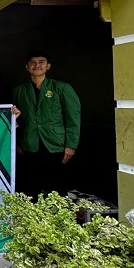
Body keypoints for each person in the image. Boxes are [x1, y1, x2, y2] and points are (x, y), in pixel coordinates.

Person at [13, 51, 81, 197]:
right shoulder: (19, 90)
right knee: (30, 188)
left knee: (56, 187)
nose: (37, 65)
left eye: (41, 62)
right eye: (32, 62)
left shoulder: (61, 88)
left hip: (55, 143)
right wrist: (16, 141)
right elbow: (14, 118)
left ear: (48, 66)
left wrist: (71, 145)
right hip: (28, 143)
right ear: (27, 67)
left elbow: (73, 118)